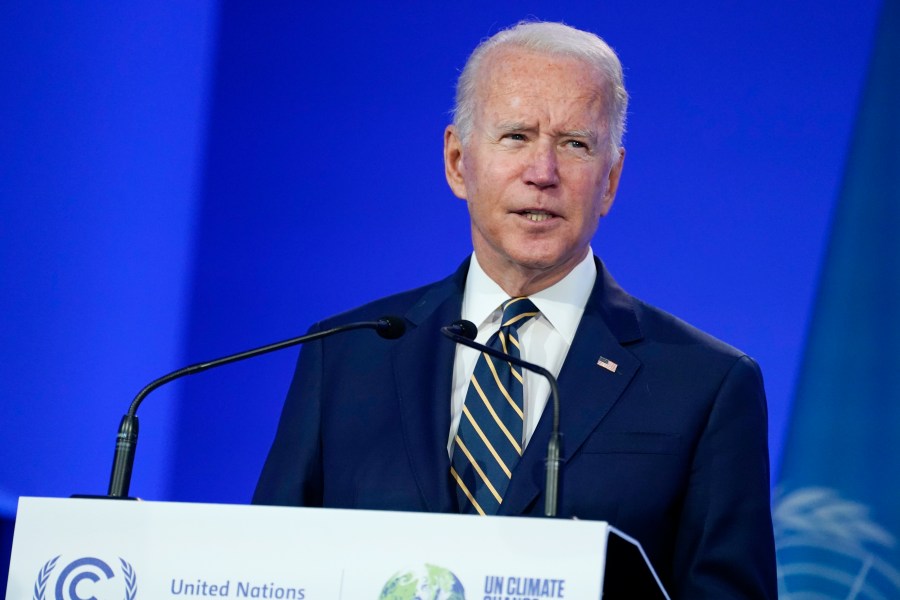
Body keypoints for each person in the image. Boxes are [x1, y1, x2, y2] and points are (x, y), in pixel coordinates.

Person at [254, 21, 776, 598]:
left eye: (575, 144)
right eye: (516, 137)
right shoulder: (346, 356)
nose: (543, 173)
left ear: (610, 180)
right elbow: (272, 570)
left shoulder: (706, 384)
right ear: (457, 161)